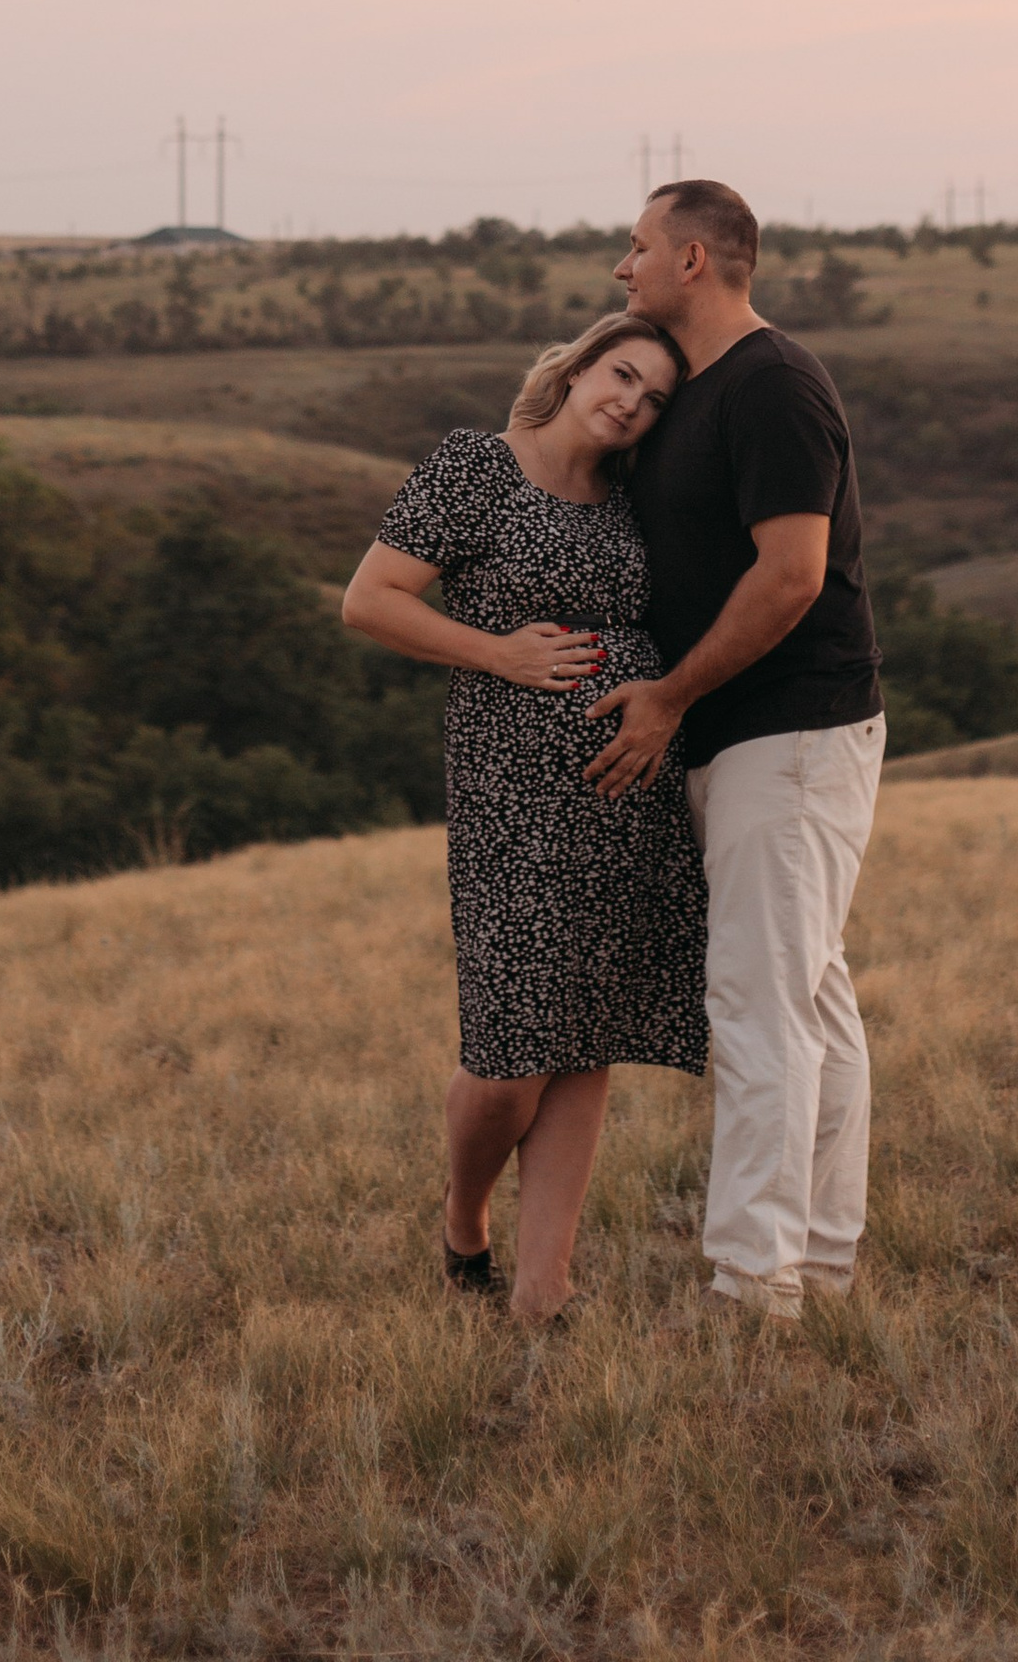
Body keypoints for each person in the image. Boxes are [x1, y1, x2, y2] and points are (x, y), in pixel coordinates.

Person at [340, 310, 710, 1323]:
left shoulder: (632, 495)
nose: (628, 402)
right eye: (620, 374)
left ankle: (545, 1289)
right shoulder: (475, 469)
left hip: (623, 797)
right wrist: (498, 652)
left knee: (586, 1034)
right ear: (581, 362)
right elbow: (370, 600)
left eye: (651, 399)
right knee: (510, 1059)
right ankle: (465, 1219)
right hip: (509, 795)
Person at [584, 179, 883, 1323]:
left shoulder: (772, 385)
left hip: (791, 730)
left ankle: (751, 1285)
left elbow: (793, 574)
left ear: (695, 261)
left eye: (638, 246)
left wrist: (666, 696)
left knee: (760, 1004)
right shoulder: (700, 389)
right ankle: (815, 1260)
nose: (625, 267)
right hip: (747, 733)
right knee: (809, 1001)